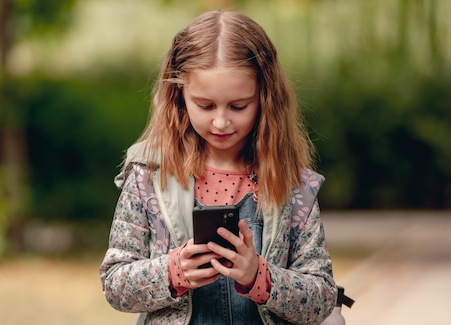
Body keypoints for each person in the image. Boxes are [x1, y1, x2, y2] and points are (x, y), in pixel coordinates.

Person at [100, 10, 338, 324]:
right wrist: (172, 271)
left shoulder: (292, 184)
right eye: (205, 105)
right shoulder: (149, 176)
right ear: (178, 95)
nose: (221, 121)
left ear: (265, 98)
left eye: (239, 106)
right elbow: (115, 283)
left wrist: (260, 277)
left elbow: (322, 298)